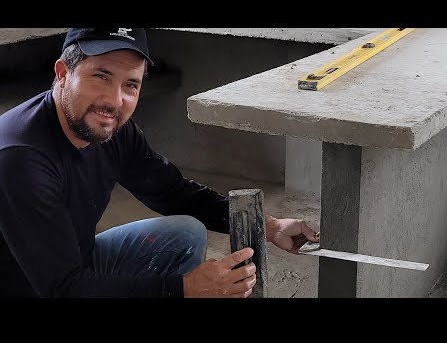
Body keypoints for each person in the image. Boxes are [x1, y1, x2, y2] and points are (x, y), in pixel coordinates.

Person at [0, 28, 319, 298]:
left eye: (131, 85)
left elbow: (172, 192)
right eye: (101, 75)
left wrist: (268, 225)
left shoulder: (112, 129)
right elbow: (64, 288)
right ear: (62, 73)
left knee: (185, 234)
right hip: (36, 286)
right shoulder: (21, 158)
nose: (114, 101)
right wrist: (186, 288)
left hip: (70, 265)